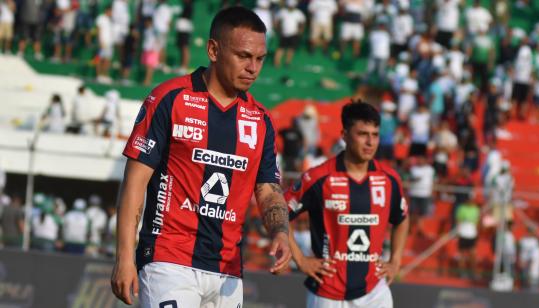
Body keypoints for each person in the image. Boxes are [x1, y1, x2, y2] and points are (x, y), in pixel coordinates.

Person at [110, 7, 291, 307]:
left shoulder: (261, 120)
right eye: (243, 56)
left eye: (260, 59)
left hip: (228, 271)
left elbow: (268, 190)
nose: (253, 68)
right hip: (168, 262)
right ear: (213, 50)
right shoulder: (170, 99)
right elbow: (133, 184)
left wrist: (281, 233)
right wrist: (124, 258)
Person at [285, 101, 409, 308]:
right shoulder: (318, 177)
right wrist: (300, 259)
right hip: (329, 293)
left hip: (375, 292)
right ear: (344, 135)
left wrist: (395, 261)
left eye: (375, 135)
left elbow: (402, 219)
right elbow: (278, 212)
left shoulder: (389, 179)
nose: (370, 142)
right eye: (362, 134)